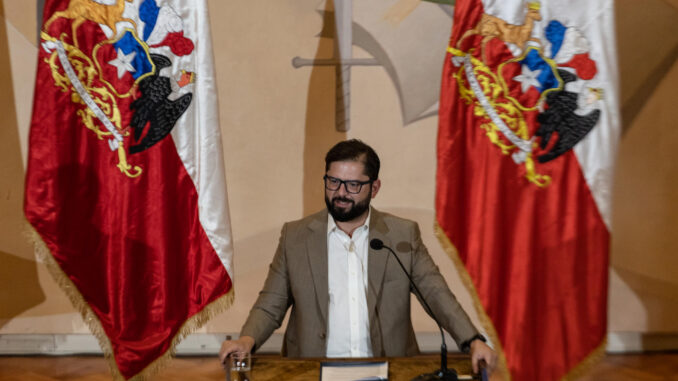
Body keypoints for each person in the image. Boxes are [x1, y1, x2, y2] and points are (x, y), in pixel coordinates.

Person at [219, 139, 496, 374]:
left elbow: (436, 294)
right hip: (313, 371)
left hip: (388, 370)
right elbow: (271, 303)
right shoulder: (296, 237)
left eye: (352, 185)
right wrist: (247, 339)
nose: (340, 193)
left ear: (374, 188)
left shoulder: (401, 236)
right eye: (333, 182)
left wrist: (471, 340)